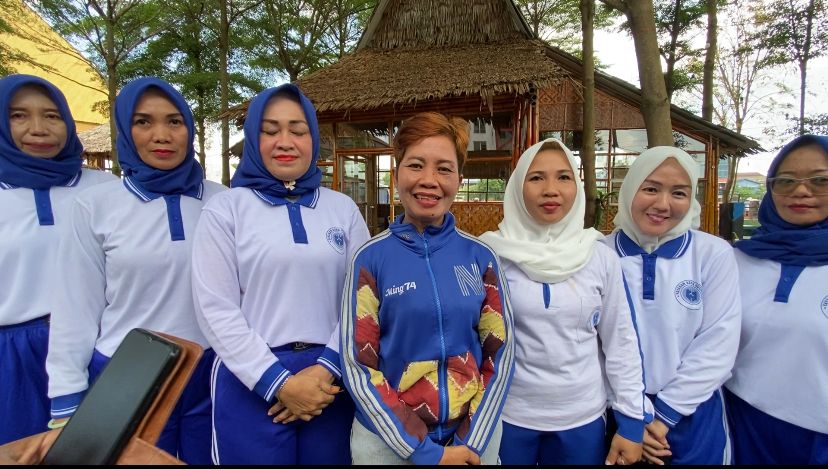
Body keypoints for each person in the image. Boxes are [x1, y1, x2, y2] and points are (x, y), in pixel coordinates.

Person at [45, 77, 225, 464]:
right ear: (125, 131)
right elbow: (76, 306)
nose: (162, 135)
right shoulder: (95, 206)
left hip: (212, 372)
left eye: (174, 121)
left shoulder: (224, 201)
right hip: (127, 372)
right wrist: (66, 394)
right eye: (143, 122)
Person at [191, 83, 370, 465]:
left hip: (331, 380)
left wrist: (325, 371)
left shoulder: (342, 210)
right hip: (250, 378)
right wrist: (279, 383)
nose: (285, 142)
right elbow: (216, 308)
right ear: (253, 139)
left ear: (313, 139)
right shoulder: (226, 210)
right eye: (270, 131)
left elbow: (362, 299)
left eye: (298, 130)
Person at [340, 111, 515, 465]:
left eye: (444, 169)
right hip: (387, 445)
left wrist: (470, 441)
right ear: (396, 174)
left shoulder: (481, 257)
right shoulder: (369, 260)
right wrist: (423, 451)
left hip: (473, 440)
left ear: (459, 179)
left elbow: (501, 353)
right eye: (416, 165)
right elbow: (358, 365)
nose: (429, 180)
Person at [479, 138, 645, 465]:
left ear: (577, 187)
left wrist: (631, 421)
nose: (550, 190)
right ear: (517, 187)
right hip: (507, 415)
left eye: (563, 177)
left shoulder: (599, 256)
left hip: (581, 419)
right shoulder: (490, 255)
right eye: (536, 178)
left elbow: (621, 341)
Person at [605, 146, 740, 465]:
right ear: (630, 189)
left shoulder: (712, 254)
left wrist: (663, 416)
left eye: (679, 193)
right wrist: (634, 417)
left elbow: (718, 343)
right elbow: (594, 345)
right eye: (651, 189)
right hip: (617, 414)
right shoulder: (600, 254)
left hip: (691, 414)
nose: (663, 204)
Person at [0, 74, 116, 445]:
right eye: (19, 115)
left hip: (99, 346)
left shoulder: (104, 189)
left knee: (97, 450)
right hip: (14, 357)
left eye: (51, 116)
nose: (38, 128)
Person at [725, 134, 828, 465]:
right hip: (741, 424)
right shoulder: (734, 261)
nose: (801, 191)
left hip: (818, 439)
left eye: (820, 180)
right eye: (786, 181)